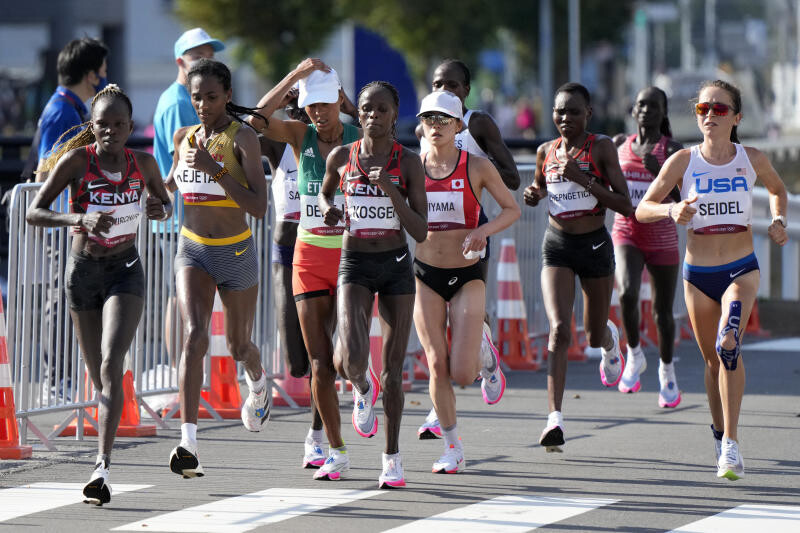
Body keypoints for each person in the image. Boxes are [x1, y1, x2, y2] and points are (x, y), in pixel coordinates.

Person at [26, 85, 172, 505]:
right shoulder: (78, 161)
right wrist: (79, 218)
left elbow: (164, 204)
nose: (110, 131)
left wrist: (158, 209)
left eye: (118, 124)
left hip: (126, 272)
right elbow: (35, 211)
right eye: (103, 124)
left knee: (111, 364)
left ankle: (101, 467)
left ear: (130, 126)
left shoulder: (143, 163)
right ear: (92, 126)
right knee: (99, 377)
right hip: (83, 274)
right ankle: (102, 454)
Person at [636, 80, 788, 480]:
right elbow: (643, 208)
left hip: (741, 268)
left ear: (736, 118)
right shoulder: (683, 161)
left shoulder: (751, 158)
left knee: (729, 343)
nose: (710, 115)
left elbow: (777, 190)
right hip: (698, 274)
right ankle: (719, 435)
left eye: (720, 109)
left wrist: (778, 220)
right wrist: (671, 212)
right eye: (703, 109)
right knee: (711, 361)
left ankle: (732, 445)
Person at [247, 59, 361, 480]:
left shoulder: (359, 138)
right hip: (307, 255)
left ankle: (361, 384)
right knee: (314, 363)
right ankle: (329, 444)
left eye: (325, 104)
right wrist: (294, 77)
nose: (318, 113)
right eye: (312, 105)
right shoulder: (300, 135)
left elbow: (381, 129)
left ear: (337, 101)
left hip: (352, 257)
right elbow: (256, 122)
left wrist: (348, 104)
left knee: (348, 358)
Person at [319, 81, 427, 487]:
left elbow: (421, 230)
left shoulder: (408, 162)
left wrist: (392, 192)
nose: (373, 115)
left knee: (395, 370)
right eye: (366, 108)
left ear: (394, 114)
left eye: (382, 109)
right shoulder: (341, 156)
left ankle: (392, 458)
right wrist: (329, 210)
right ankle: (363, 386)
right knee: (351, 359)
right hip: (355, 263)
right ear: (358, 113)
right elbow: (326, 194)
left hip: (396, 264)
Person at [164, 59, 269, 478]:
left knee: (240, 346)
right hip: (193, 250)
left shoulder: (243, 137)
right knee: (195, 335)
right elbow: (171, 185)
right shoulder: (183, 137)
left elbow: (258, 206)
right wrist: (156, 199)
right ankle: (188, 442)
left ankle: (257, 381)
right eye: (197, 98)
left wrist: (217, 170)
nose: (203, 105)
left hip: (236, 252)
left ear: (227, 95)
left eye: (211, 97)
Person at [523, 82, 633, 453]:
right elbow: (540, 186)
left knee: (593, 335)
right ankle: (554, 418)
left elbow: (625, 204)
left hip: (595, 246)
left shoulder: (600, 148)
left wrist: (583, 178)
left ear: (588, 113)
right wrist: (534, 194)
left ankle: (609, 339)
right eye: (559, 111)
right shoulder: (545, 150)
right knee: (558, 329)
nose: (565, 118)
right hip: (557, 245)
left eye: (573, 111)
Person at [415, 59, 521, 440]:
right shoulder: (422, 136)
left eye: (452, 85)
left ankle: (483, 351)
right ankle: (443, 420)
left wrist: (473, 171)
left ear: (466, 92)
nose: (444, 91)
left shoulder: (479, 125)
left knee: (464, 341)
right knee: (437, 354)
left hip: (472, 238)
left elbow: (512, 182)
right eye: (437, 84)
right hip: (429, 256)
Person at [258, 91, 324, 468]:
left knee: (319, 357)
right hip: (286, 253)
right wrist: (283, 90)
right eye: (294, 110)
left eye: (309, 109)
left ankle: (316, 436)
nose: (302, 117)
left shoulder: (335, 143)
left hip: (324, 250)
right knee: (296, 363)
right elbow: (250, 123)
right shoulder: (278, 145)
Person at [152, 28, 225, 367]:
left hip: (189, 216)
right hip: (179, 218)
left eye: (210, 55)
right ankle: (177, 370)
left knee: (189, 295)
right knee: (181, 295)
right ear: (179, 61)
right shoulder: (178, 103)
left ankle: (186, 369)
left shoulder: (188, 99)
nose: (205, 61)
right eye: (197, 56)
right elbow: (184, 160)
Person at [611, 87, 683, 406]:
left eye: (654, 106)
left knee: (661, 313)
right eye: (641, 104)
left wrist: (659, 174)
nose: (646, 110)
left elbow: (685, 199)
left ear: (663, 112)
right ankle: (634, 353)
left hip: (662, 236)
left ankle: (666, 370)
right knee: (627, 292)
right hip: (626, 230)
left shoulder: (673, 150)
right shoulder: (619, 145)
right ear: (633, 110)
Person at [26, 37, 109, 181]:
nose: (105, 77)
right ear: (91, 76)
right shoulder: (63, 112)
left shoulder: (66, 107)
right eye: (103, 71)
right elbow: (44, 173)